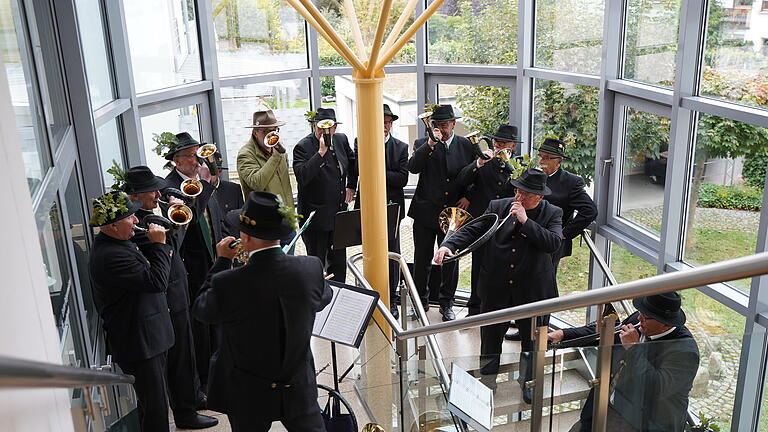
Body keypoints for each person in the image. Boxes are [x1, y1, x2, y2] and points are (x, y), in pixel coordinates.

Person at [192, 191, 333, 431]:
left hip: (248, 390)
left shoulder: (228, 282)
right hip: (298, 384)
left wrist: (222, 261)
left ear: (245, 238)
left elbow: (202, 310)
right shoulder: (310, 268)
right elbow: (323, 298)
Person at [434, 168, 562, 404]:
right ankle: (488, 382)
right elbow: (474, 229)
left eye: (527, 195)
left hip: (533, 291)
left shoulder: (553, 213)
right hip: (497, 286)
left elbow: (553, 243)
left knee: (532, 341)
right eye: (518, 191)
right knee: (491, 339)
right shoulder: (498, 206)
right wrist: (448, 244)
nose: (519, 198)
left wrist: (525, 221)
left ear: (540, 197)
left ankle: (529, 383)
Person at [124, 166, 218, 429]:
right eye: (150, 191)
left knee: (185, 357)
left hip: (177, 294)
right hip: (164, 301)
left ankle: (187, 409)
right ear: (134, 196)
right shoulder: (137, 224)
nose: (157, 193)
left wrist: (179, 213)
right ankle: (185, 413)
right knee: (178, 361)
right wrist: (175, 217)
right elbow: (168, 249)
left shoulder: (151, 215)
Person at [549, 293, 699, 432]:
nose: (639, 318)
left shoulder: (685, 351)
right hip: (609, 406)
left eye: (646, 317)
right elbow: (606, 334)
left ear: (665, 324)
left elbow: (656, 388)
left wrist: (634, 349)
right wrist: (564, 335)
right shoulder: (640, 322)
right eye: (641, 312)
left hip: (645, 422)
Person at [88, 191, 174, 432]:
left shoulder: (118, 242)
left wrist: (162, 236)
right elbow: (157, 281)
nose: (137, 221)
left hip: (150, 338)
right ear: (113, 225)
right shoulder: (109, 256)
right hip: (139, 344)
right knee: (156, 408)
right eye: (130, 217)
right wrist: (159, 246)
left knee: (154, 404)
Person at [163, 132, 223, 390]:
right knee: (201, 330)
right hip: (193, 269)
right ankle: (206, 382)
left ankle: (219, 375)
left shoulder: (200, 181)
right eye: (190, 156)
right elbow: (192, 218)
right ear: (177, 161)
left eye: (198, 154)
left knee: (217, 323)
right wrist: (206, 185)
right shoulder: (169, 188)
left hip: (214, 262)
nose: (197, 160)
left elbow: (215, 220)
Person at [408, 104, 474, 321]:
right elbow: (413, 167)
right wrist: (429, 144)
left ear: (453, 124)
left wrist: (469, 196)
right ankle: (420, 302)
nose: (441, 129)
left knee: (450, 260)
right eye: (437, 125)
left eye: (444, 125)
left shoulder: (465, 145)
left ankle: (447, 304)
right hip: (426, 212)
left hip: (453, 213)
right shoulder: (423, 143)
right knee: (422, 260)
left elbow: (475, 176)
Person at [348, 104, 409, 319]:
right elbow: (357, 171)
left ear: (391, 124)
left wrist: (376, 168)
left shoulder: (401, 147)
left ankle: (391, 300)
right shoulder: (360, 142)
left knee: (391, 253)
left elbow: (402, 179)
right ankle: (368, 296)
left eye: (387, 122)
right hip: (367, 208)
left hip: (391, 208)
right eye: (380, 122)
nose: (384, 126)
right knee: (369, 253)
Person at [455, 124, 521, 316]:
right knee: (479, 267)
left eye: (504, 143)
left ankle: (502, 311)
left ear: (513, 146)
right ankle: (474, 309)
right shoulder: (484, 160)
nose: (499, 145)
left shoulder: (519, 165)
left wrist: (509, 167)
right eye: (496, 142)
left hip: (508, 225)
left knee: (504, 269)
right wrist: (479, 163)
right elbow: (462, 180)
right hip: (483, 222)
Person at [293, 107, 356, 282]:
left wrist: (351, 186)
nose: (324, 131)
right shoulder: (303, 147)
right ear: (314, 126)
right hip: (316, 218)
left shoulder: (341, 140)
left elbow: (352, 162)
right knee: (316, 265)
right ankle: (319, 304)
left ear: (335, 128)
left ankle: (339, 299)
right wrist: (321, 153)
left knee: (339, 264)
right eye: (320, 127)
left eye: (329, 127)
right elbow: (303, 176)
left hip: (338, 216)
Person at [237, 109, 296, 251]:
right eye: (265, 131)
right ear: (255, 132)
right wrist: (275, 157)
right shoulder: (245, 155)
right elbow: (257, 183)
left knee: (288, 268)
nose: (271, 135)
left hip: (286, 221)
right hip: (264, 227)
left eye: (275, 130)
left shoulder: (278, 149)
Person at [537, 137, 598, 270]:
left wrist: (564, 233)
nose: (541, 161)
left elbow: (590, 210)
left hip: (550, 244)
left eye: (547, 158)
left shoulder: (571, 182)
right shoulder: (533, 174)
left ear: (559, 161)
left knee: (544, 283)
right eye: (540, 156)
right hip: (529, 236)